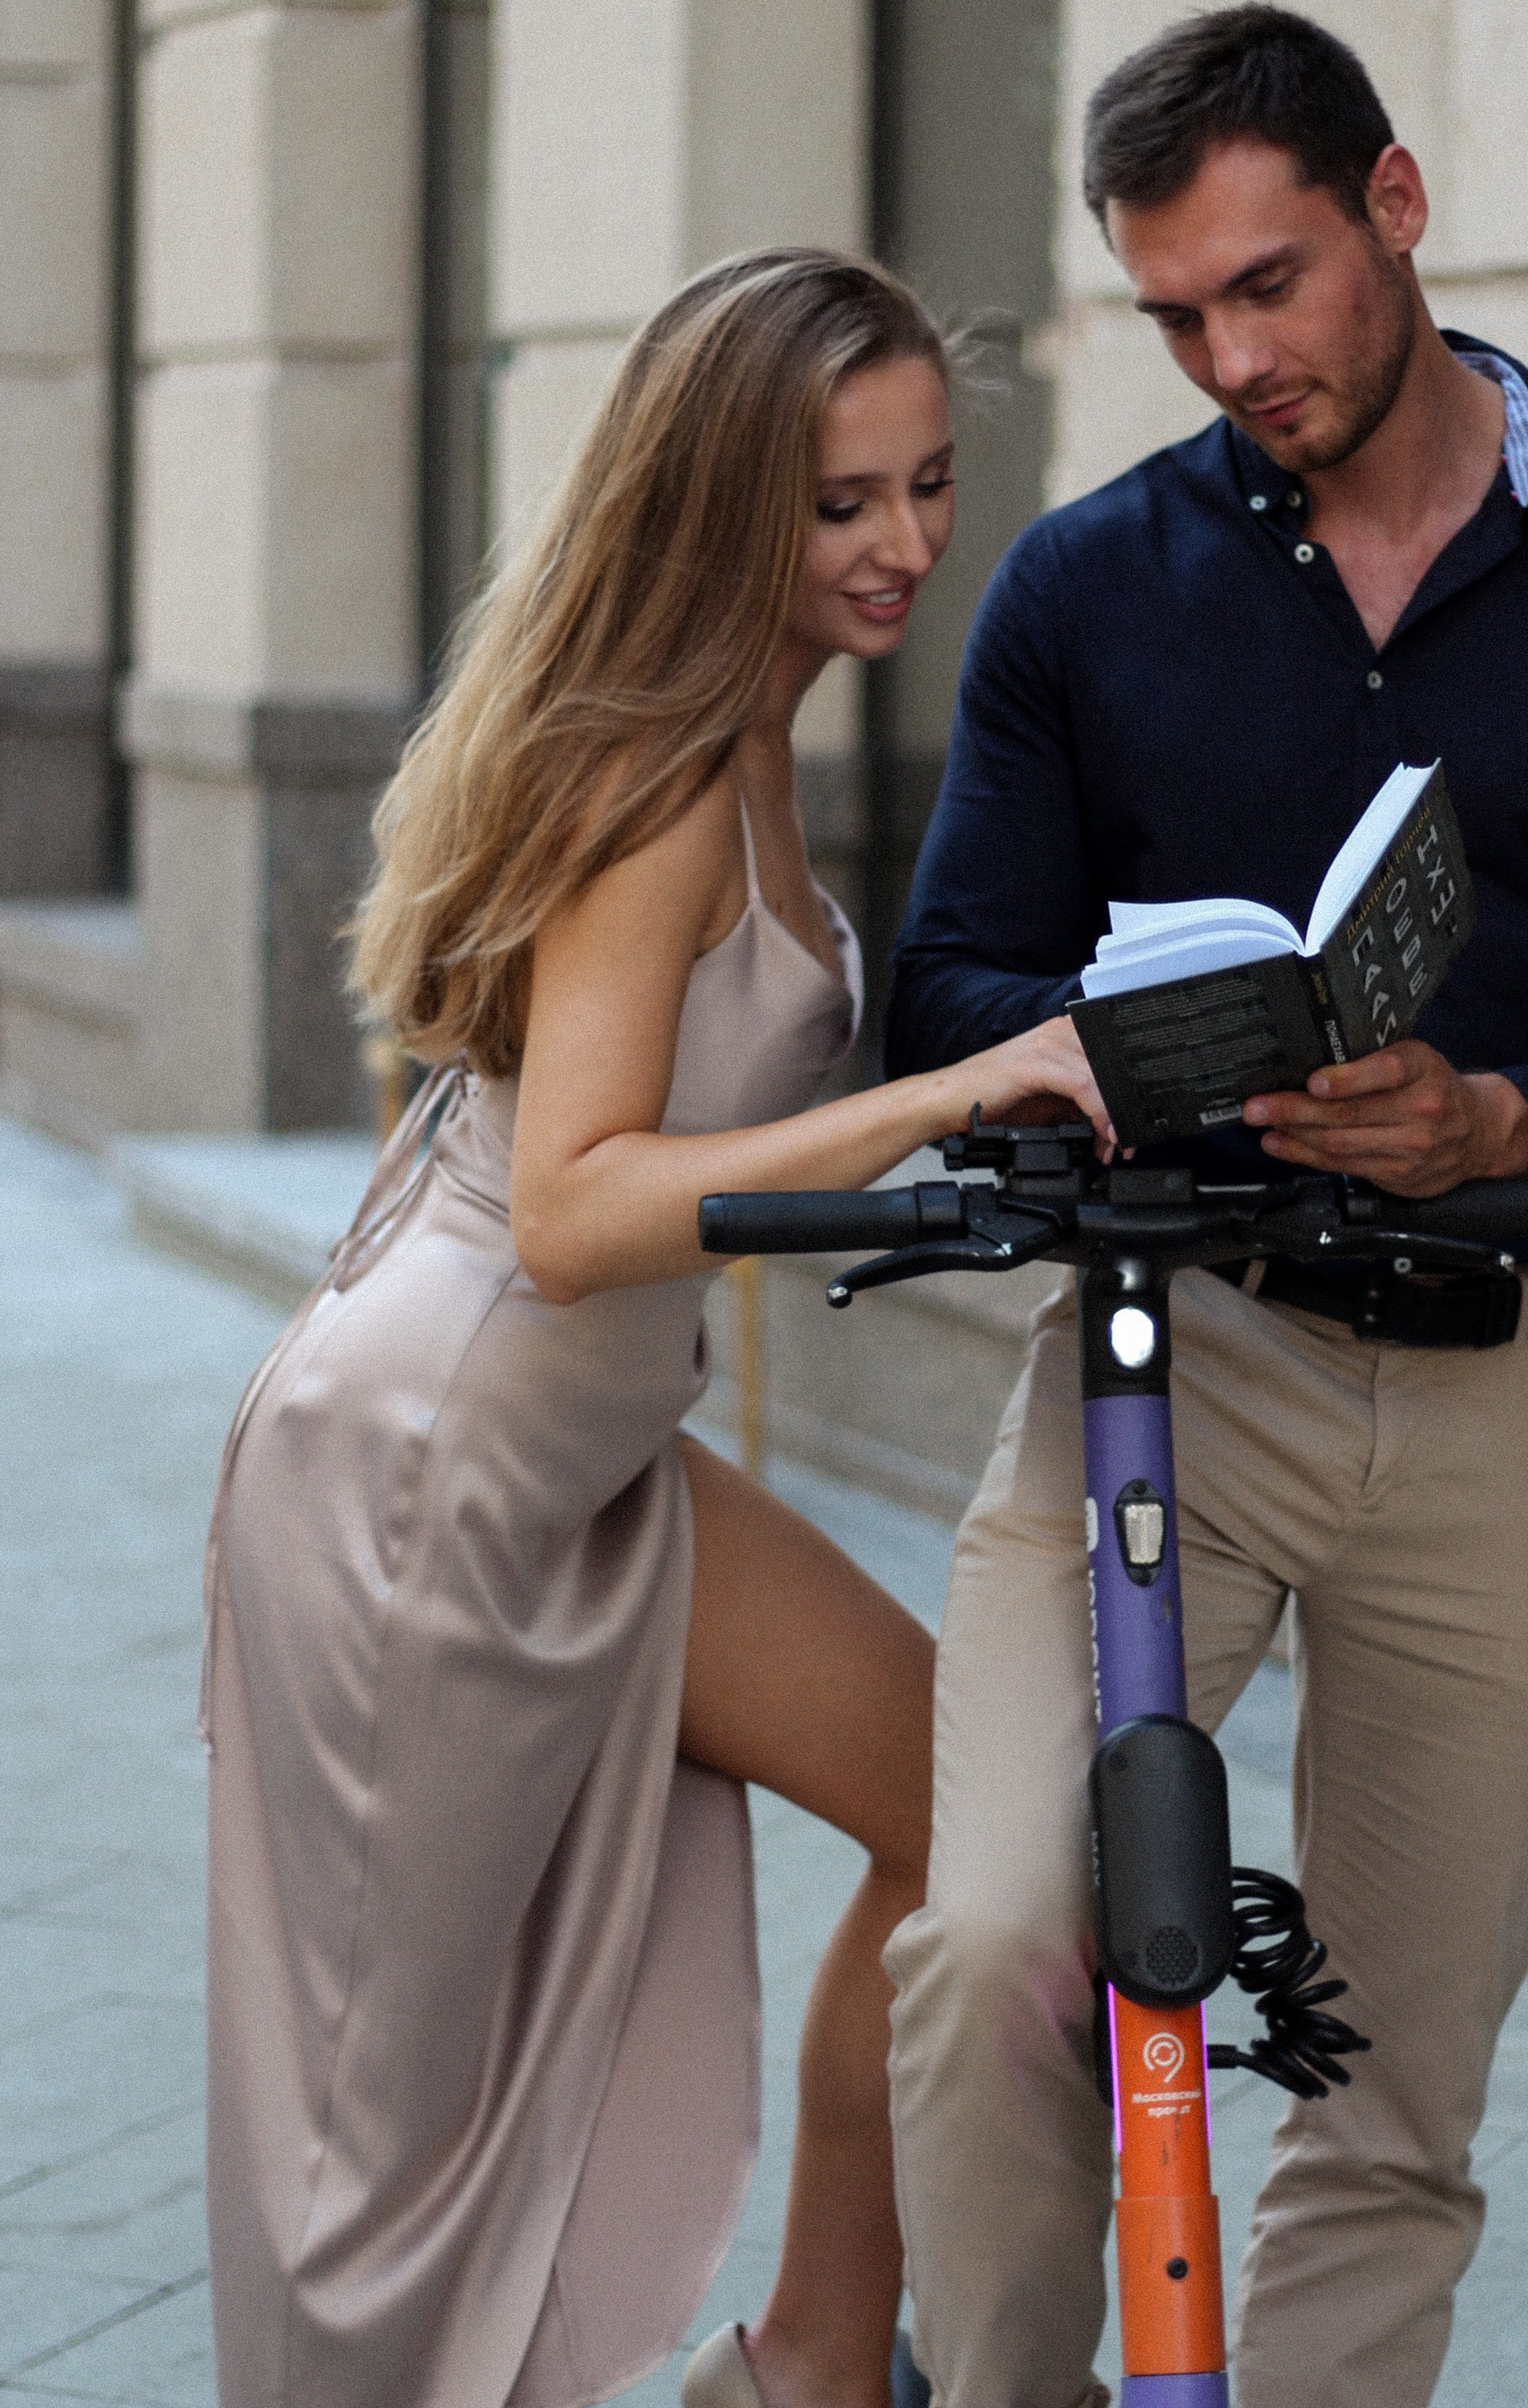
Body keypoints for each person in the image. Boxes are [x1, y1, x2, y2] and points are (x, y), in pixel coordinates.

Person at [881, 6, 1528, 2408]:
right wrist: (1131, 1047)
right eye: (1177, 317)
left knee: (1392, 2093)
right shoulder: (1085, 588)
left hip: (1521, 1385)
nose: (1235, 360)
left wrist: (1507, 1116)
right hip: (1172, 1362)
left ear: (1396, 209)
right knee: (999, 1945)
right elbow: (952, 982)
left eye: (1271, 283)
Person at [199, 247, 1110, 2408]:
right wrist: (939, 1100)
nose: (905, 545)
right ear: (723, 505)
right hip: (425, 1476)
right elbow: (580, 1205)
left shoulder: (753, 734)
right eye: (842, 503)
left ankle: (804, 2370)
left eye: (929, 483)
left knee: (961, 1816)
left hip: (590, 1459)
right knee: (385, 2146)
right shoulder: (665, 789)